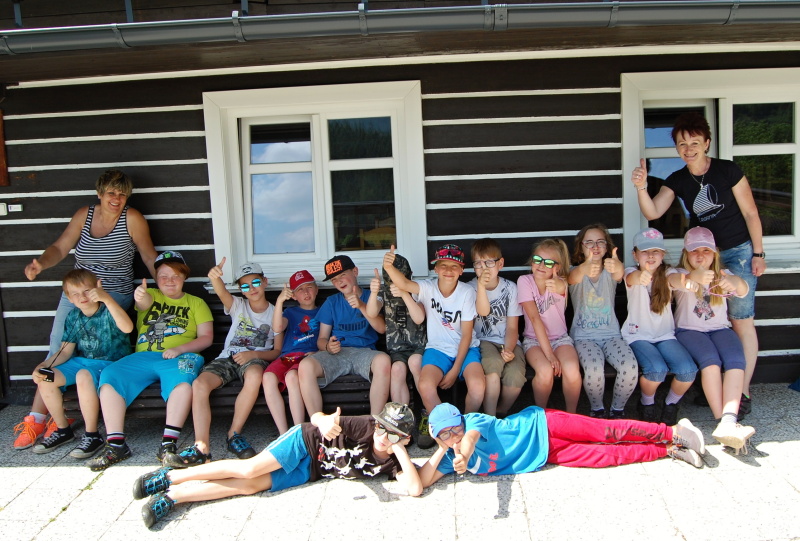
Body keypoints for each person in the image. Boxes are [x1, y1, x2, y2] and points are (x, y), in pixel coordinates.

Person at [632, 112, 765, 418]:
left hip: (736, 252)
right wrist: (641, 186)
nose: (688, 148)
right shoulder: (678, 179)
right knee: (708, 317)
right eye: (682, 144)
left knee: (740, 320)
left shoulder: (727, 170)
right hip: (701, 254)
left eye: (694, 142)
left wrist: (758, 253)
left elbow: (751, 213)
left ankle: (741, 391)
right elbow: (653, 211)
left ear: (707, 143)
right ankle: (714, 385)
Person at [14, 170, 157, 450]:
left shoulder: (132, 218)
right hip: (77, 291)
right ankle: (38, 418)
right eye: (111, 192)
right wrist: (41, 263)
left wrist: (164, 287)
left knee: (95, 345)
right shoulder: (85, 215)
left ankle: (72, 413)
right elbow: (60, 247)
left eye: (122, 194)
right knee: (58, 347)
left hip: (111, 293)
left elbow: (148, 255)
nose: (117, 198)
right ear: (100, 193)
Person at [132, 402, 422, 528]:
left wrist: (399, 449)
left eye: (393, 433)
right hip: (305, 442)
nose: (382, 436)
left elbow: (414, 488)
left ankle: (174, 497)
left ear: (405, 438)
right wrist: (323, 422)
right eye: (382, 427)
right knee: (248, 469)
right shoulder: (365, 426)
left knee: (249, 487)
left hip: (311, 471)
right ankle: (171, 476)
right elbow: (317, 417)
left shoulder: (395, 462)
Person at [88, 251, 214, 470]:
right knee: (111, 375)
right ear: (156, 278)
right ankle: (116, 445)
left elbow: (206, 338)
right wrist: (140, 295)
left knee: (183, 382)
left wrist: (179, 348)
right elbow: (143, 302)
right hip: (144, 356)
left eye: (175, 275)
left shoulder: (196, 303)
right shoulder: (151, 295)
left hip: (181, 356)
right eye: (163, 276)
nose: (169, 281)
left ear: (184, 277)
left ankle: (168, 445)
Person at [418, 402, 706, 488]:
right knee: (605, 456)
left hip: (544, 424)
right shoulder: (447, 454)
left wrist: (463, 453)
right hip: (546, 454)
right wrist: (443, 449)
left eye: (456, 428)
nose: (455, 435)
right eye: (446, 434)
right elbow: (421, 483)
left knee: (607, 431)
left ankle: (672, 432)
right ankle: (667, 450)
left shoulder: (472, 422)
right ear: (436, 436)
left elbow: (469, 439)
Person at [168, 260, 281, 467]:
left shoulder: (275, 313)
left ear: (265, 281)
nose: (252, 288)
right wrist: (214, 277)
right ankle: (202, 447)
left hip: (255, 358)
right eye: (245, 286)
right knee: (199, 384)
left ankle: (233, 434)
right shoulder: (238, 305)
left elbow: (277, 351)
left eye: (256, 282)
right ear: (241, 290)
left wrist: (252, 354)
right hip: (227, 357)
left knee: (255, 376)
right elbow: (221, 292)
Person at [667, 227, 755, 454]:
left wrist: (734, 281)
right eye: (694, 251)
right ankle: (721, 420)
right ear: (685, 253)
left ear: (715, 253)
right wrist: (691, 278)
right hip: (689, 331)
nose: (700, 256)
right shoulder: (678, 271)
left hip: (719, 329)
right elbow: (672, 282)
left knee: (736, 361)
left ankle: (729, 420)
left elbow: (744, 289)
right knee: (711, 363)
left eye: (706, 251)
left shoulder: (722, 274)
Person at [29, 270, 133, 458]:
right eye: (75, 294)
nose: (82, 297)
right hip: (81, 362)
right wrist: (43, 365)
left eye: (86, 291)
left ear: (96, 288)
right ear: (69, 298)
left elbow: (127, 327)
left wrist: (106, 298)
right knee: (46, 377)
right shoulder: (73, 316)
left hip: (110, 363)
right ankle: (63, 430)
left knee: (83, 375)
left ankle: (92, 435)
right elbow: (65, 351)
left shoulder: (109, 310)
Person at [383, 244, 486, 418]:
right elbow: (404, 284)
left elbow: (467, 335)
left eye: (454, 266)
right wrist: (388, 267)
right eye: (443, 265)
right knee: (425, 385)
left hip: (466, 348)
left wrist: (455, 369)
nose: (448, 270)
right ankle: (445, 426)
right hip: (438, 349)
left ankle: (467, 425)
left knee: (478, 386)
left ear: (461, 270)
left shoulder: (467, 292)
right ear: (435, 268)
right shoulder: (428, 287)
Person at [297, 255, 391, 416]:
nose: (339, 281)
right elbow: (321, 340)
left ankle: (375, 421)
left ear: (355, 271)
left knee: (383, 361)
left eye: (342, 275)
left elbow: (381, 328)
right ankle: (318, 422)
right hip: (338, 354)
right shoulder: (332, 302)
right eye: (334, 279)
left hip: (364, 352)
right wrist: (328, 346)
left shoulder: (372, 296)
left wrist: (361, 305)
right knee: (305, 366)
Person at [622, 228, 697, 426]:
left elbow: (676, 280)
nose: (650, 256)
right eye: (645, 251)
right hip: (637, 335)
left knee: (688, 371)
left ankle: (671, 404)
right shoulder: (631, 272)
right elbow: (633, 279)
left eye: (655, 251)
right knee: (656, 370)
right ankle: (646, 404)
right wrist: (643, 276)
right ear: (635, 255)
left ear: (662, 255)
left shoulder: (668, 273)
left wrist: (686, 283)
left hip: (664, 335)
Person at [568, 224, 638, 418]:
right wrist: (584, 267)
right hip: (583, 337)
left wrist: (618, 265)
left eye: (600, 242)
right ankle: (597, 409)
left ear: (607, 246)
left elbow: (619, 273)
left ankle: (617, 410)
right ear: (581, 247)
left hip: (611, 335)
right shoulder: (575, 271)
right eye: (589, 242)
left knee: (630, 367)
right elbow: (572, 278)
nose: (595, 246)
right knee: (594, 369)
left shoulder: (610, 270)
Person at [517, 239, 582, 413]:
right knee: (545, 372)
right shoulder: (525, 281)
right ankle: (541, 414)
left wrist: (562, 286)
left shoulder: (560, 283)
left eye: (548, 262)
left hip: (560, 339)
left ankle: (571, 415)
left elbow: (564, 284)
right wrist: (550, 355)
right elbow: (534, 319)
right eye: (537, 259)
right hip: (534, 341)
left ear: (557, 267)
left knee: (572, 371)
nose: (541, 265)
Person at [366, 253, 426, 440]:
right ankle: (401, 421)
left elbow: (419, 318)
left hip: (419, 346)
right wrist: (374, 292)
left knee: (416, 363)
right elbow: (371, 312)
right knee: (397, 369)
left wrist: (405, 294)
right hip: (398, 348)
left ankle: (427, 412)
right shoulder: (385, 292)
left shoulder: (417, 290)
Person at [465, 238, 525, 417]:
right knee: (492, 364)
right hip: (482, 340)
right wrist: (481, 286)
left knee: (516, 374)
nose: (483, 268)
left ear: (500, 264)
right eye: (478, 263)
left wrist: (509, 349)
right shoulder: (469, 289)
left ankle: (501, 411)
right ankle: (490, 417)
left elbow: (512, 327)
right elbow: (482, 312)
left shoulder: (511, 289)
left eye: (489, 262)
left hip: (507, 339)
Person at [263, 270, 321, 434]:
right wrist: (280, 300)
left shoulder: (323, 311)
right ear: (294, 296)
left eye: (309, 287)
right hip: (288, 357)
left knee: (292, 377)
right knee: (268, 377)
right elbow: (277, 328)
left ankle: (298, 430)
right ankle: (283, 433)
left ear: (317, 289)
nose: (306, 292)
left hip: (309, 357)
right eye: (300, 290)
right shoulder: (290, 312)